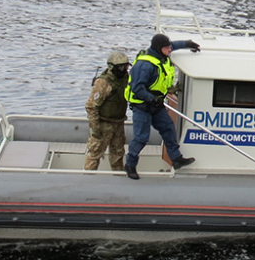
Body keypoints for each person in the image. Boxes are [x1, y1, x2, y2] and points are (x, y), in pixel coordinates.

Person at [124, 33, 201, 180]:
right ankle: (130, 164)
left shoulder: (161, 53)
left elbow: (173, 45)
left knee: (168, 129)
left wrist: (188, 44)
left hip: (157, 105)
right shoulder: (145, 66)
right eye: (167, 48)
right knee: (141, 138)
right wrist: (151, 99)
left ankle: (176, 158)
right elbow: (137, 88)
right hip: (143, 106)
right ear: (160, 49)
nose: (170, 50)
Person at [84, 51, 131, 172]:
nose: (123, 70)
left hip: (118, 123)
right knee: (94, 154)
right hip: (103, 123)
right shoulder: (103, 83)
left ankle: (118, 179)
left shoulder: (126, 78)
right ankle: (87, 181)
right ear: (112, 67)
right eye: (120, 67)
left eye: (125, 66)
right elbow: (91, 106)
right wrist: (95, 129)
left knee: (118, 154)